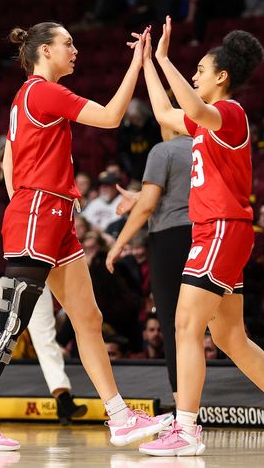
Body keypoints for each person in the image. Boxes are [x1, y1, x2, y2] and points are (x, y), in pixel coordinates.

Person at [0, 21, 173, 452]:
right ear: (44, 51)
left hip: (50, 213)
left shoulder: (26, 97)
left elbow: (8, 165)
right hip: (39, 211)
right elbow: (112, 118)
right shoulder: (42, 90)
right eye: (67, 44)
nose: (75, 50)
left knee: (88, 318)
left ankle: (119, 415)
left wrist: (41, 198)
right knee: (13, 319)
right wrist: (137, 62)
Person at [138, 17, 264, 457]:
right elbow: (165, 114)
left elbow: (197, 109)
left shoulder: (231, 114)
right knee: (229, 338)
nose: (194, 76)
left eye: (199, 70)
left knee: (184, 324)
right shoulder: (206, 124)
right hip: (219, 232)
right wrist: (147, 62)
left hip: (221, 229)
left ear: (221, 77)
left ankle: (186, 431)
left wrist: (165, 58)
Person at [0, 143, 86, 425]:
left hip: (37, 268)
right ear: (3, 165)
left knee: (44, 334)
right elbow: (8, 224)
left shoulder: (37, 193)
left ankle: (63, 397)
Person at [106, 123, 192, 401]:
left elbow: (148, 206)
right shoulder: (207, 146)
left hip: (169, 238)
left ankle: (184, 410)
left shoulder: (162, 150)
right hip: (207, 235)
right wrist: (141, 195)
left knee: (172, 323)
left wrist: (118, 244)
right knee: (223, 328)